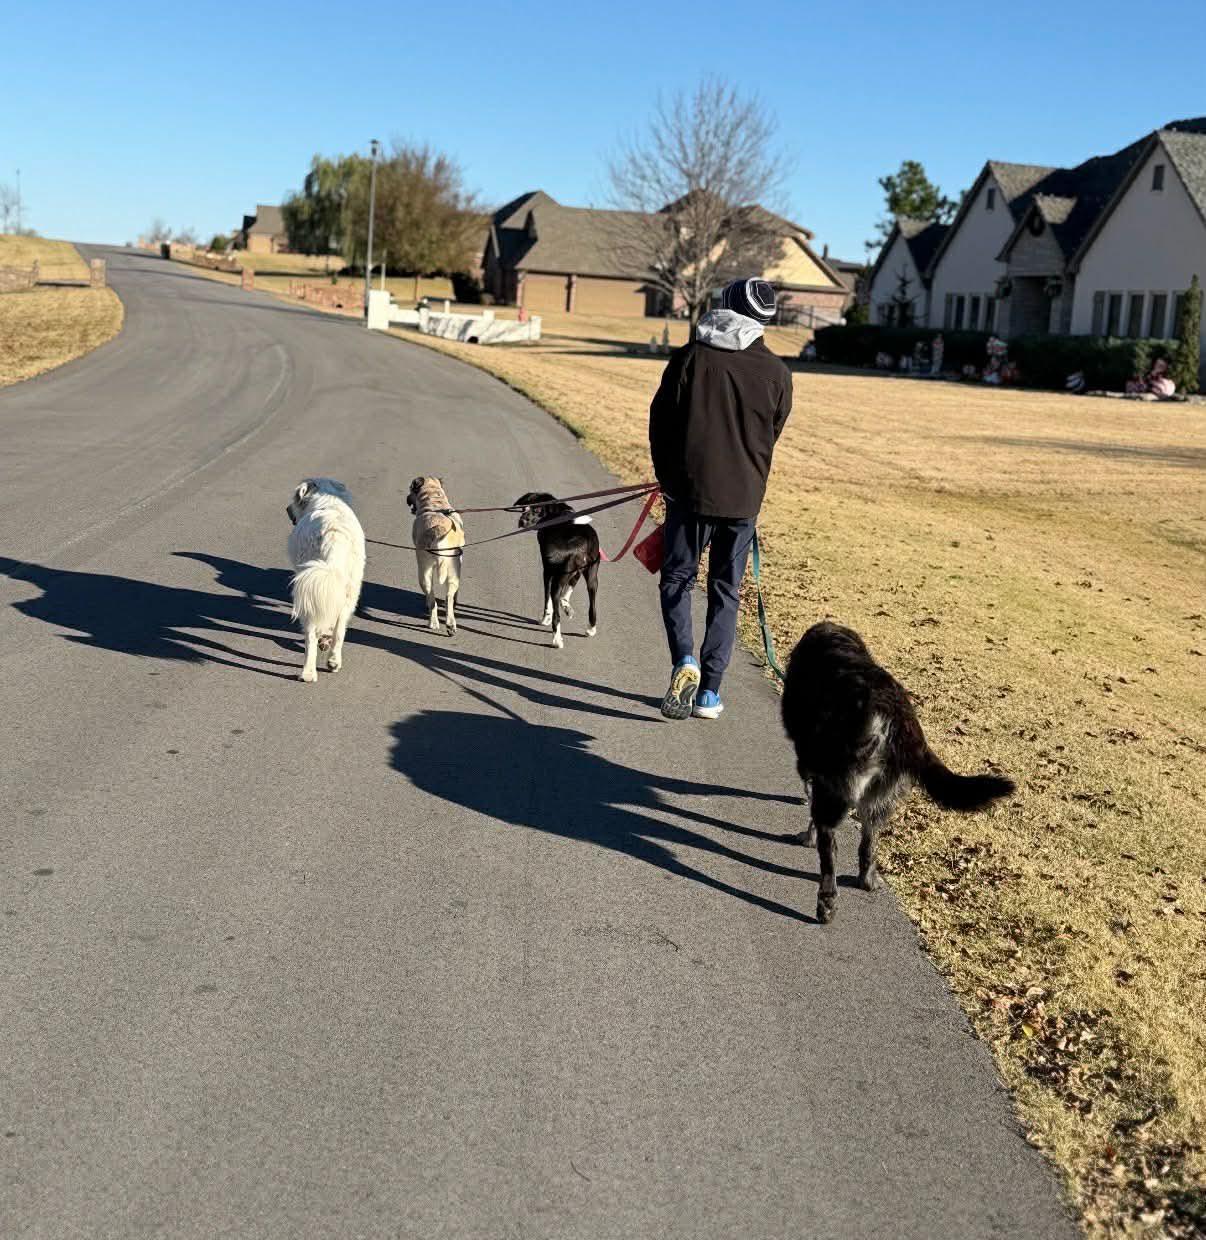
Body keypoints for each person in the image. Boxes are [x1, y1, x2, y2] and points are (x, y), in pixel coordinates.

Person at [648, 277, 793, 720]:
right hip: (744, 499)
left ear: (724, 307)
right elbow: (774, 432)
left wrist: (666, 478)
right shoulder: (778, 373)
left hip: (689, 492)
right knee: (725, 591)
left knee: (677, 579)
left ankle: (684, 660)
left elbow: (661, 422)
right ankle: (709, 693)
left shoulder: (691, 356)